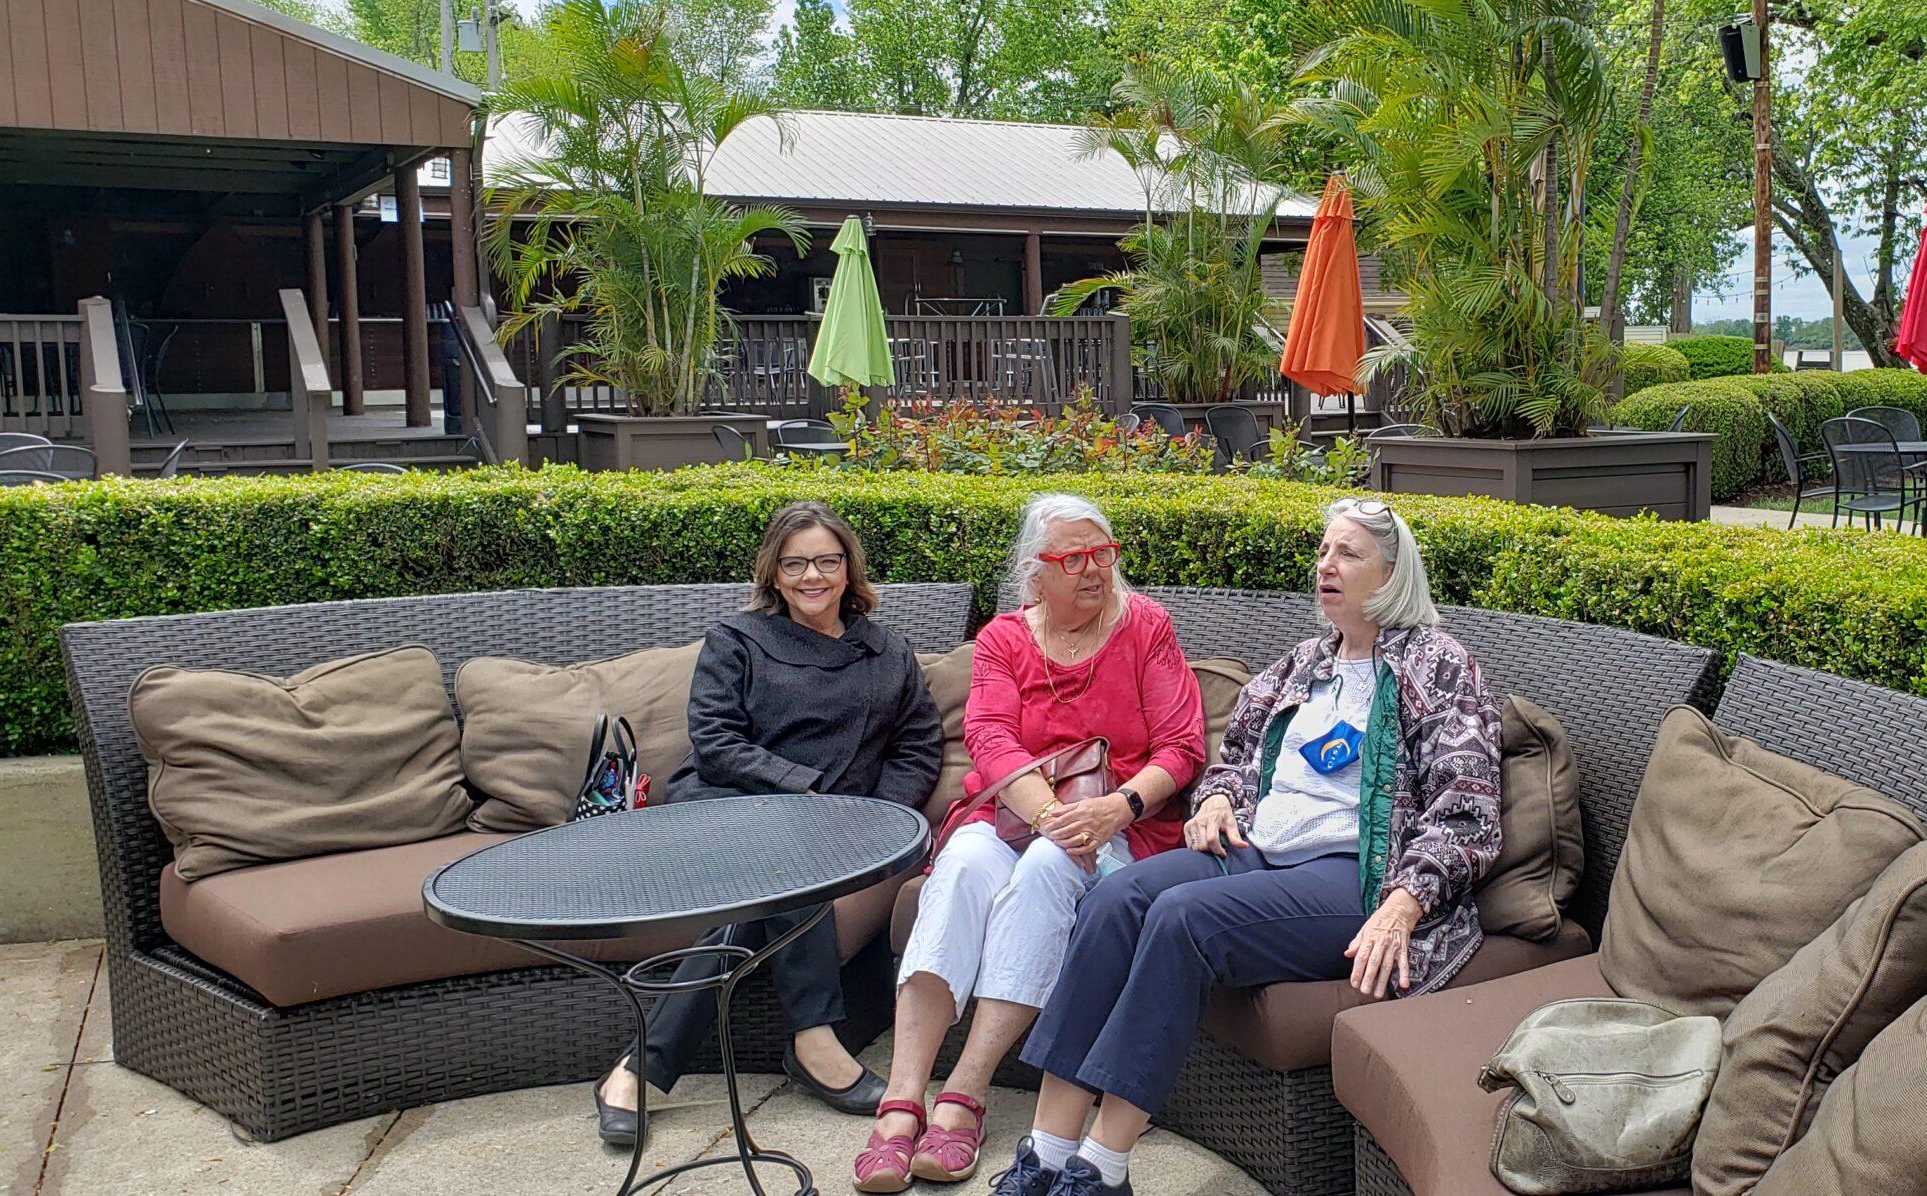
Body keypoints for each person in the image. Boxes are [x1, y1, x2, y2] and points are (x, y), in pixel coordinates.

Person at [996, 497, 1503, 1196]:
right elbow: (1232, 756)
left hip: (1356, 875)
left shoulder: (1439, 666)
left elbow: (1469, 811)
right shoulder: (1302, 664)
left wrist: (1405, 904)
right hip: (1260, 851)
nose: (1327, 565)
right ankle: (1048, 1153)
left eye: (1349, 554)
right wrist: (1215, 801)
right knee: (1115, 898)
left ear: (1393, 570)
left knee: (1182, 919)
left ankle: (1102, 1168)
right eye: (1324, 551)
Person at [853, 494, 1206, 1193]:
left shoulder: (1146, 628)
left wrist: (1116, 806)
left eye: (1102, 554)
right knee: (957, 873)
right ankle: (901, 1103)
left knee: (1048, 869)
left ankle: (965, 1095)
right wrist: (1050, 814)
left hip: (1123, 823)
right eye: (1071, 558)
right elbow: (989, 738)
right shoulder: (1003, 639)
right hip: (1016, 814)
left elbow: (1183, 746)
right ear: (1033, 573)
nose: (1093, 570)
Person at [592, 501, 943, 1146]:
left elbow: (918, 748)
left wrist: (877, 815)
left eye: (827, 561)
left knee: (758, 900)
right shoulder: (737, 640)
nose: (813, 576)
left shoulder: (886, 651)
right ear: (774, 575)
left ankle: (641, 1068)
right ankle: (814, 1041)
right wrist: (802, 790)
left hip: (834, 826)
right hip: (728, 805)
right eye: (796, 563)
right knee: (787, 860)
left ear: (848, 568)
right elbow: (716, 739)